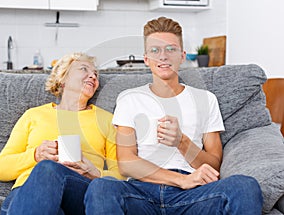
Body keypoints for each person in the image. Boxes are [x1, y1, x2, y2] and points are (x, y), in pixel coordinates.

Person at [84, 17, 263, 214]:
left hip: (193, 195)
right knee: (102, 187)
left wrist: (181, 141)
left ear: (182, 55)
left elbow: (213, 165)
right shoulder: (129, 99)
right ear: (146, 59)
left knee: (245, 186)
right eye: (155, 50)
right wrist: (181, 180)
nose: (163, 56)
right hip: (142, 192)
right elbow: (126, 163)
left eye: (171, 49)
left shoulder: (205, 99)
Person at [0, 52, 124, 215]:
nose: (93, 76)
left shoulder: (106, 120)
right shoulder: (33, 115)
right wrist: (35, 155)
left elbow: (121, 175)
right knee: (47, 171)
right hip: (25, 195)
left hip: (79, 193)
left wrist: (95, 173)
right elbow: (0, 169)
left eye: (95, 74)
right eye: (84, 69)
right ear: (63, 78)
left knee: (49, 168)